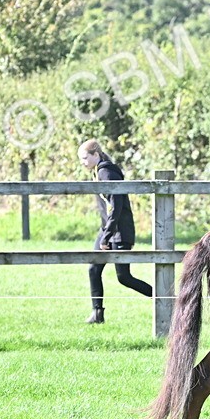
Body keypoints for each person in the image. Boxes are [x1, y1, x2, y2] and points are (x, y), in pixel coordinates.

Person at [78, 139, 153, 324]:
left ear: (96, 154)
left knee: (124, 277)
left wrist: (107, 236)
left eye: (85, 158)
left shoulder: (107, 173)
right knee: (94, 269)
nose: (82, 162)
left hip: (119, 232)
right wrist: (105, 233)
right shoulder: (98, 171)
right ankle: (97, 313)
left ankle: (165, 300)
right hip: (107, 229)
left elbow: (116, 207)